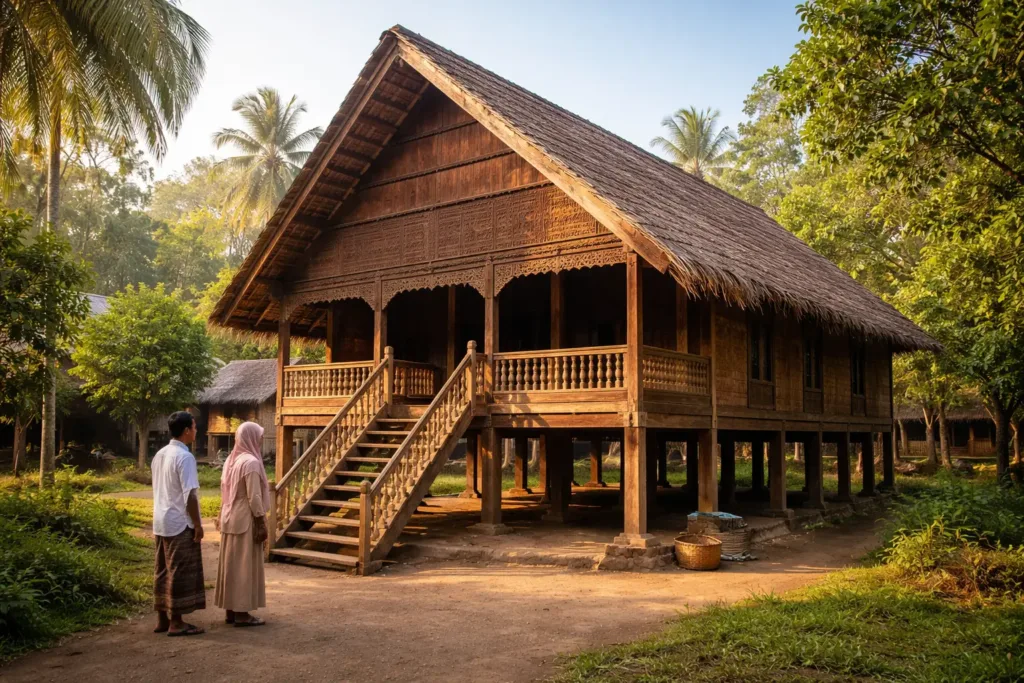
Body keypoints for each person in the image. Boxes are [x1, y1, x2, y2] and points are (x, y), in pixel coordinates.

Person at [152, 411, 205, 636]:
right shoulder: (185, 457)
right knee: (179, 571)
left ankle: (162, 619)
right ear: (186, 430)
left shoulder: (160, 454)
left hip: (161, 520)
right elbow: (190, 496)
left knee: (162, 569)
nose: (195, 431)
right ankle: (176, 622)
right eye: (194, 427)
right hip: (179, 522)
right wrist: (198, 524)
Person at [214, 421, 270, 627]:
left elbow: (224, 491)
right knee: (244, 567)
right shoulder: (251, 463)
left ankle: (231, 610)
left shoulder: (231, 460)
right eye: (259, 436)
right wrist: (262, 521)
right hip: (246, 519)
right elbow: (254, 497)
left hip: (230, 517)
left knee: (231, 565)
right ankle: (242, 614)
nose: (262, 440)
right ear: (251, 437)